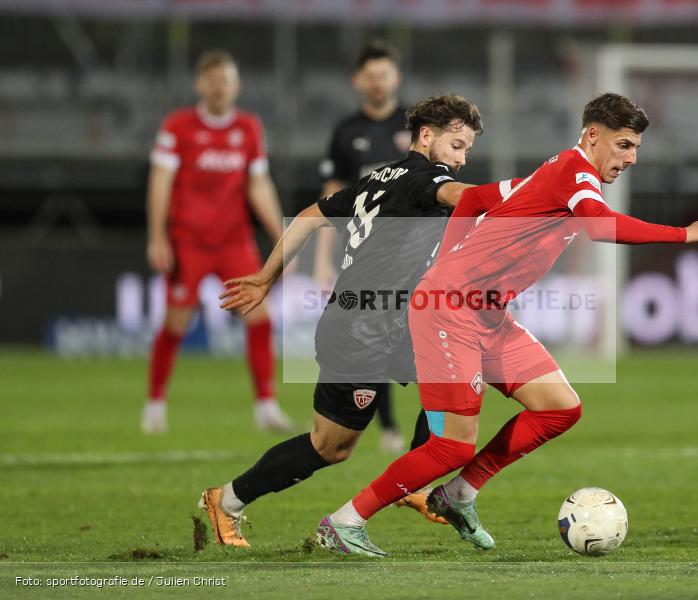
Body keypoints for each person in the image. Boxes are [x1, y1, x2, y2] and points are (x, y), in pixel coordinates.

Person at [316, 93, 698, 557]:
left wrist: (450, 256)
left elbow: (472, 199)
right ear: (594, 136)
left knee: (559, 407)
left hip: (487, 313)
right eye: (625, 145)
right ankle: (344, 521)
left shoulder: (559, 173)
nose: (631, 158)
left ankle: (460, 494)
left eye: (635, 148)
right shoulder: (576, 174)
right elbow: (597, 225)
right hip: (449, 310)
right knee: (452, 447)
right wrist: (683, 233)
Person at [198, 95, 483, 547]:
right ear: (427, 136)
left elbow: (311, 215)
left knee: (458, 369)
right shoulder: (426, 178)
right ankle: (227, 500)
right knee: (330, 446)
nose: (461, 158)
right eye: (456, 144)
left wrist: (268, 276)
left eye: (467, 149)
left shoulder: (379, 178)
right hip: (359, 329)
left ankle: (415, 479)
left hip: (384, 322)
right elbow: (462, 196)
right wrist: (526, 195)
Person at [140, 50, 293, 434]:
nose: (219, 87)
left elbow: (259, 184)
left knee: (260, 316)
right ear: (199, 85)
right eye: (212, 80)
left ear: (236, 85)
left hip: (233, 241)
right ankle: (155, 403)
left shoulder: (248, 127)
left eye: (225, 80)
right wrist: (157, 236)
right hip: (187, 241)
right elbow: (160, 181)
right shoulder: (178, 126)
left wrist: (281, 237)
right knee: (175, 321)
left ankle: (266, 405)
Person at [315, 41, 411, 454]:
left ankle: (415, 433)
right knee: (371, 336)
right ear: (359, 81)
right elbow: (331, 197)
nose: (377, 82)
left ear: (396, 78)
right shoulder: (346, 133)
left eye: (384, 74)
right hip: (365, 257)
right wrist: (321, 258)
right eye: (370, 75)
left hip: (414, 255)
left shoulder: (417, 127)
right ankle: (382, 423)